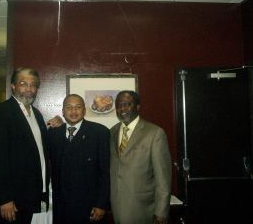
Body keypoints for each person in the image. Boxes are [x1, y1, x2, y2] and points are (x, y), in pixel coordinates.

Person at [0, 67, 62, 224]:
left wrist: (57, 127)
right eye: (23, 83)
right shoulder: (1, 112)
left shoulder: (37, 115)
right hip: (11, 199)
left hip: (30, 195)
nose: (29, 89)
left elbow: (42, 151)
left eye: (33, 85)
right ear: (13, 86)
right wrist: (4, 199)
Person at [110, 91, 172, 224]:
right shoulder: (112, 132)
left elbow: (163, 177)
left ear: (138, 106)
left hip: (143, 209)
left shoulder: (154, 133)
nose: (123, 109)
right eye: (119, 105)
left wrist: (161, 211)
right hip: (117, 207)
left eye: (127, 104)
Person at [48, 94, 110, 224]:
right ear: (63, 111)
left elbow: (106, 172)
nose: (74, 111)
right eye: (69, 107)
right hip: (61, 208)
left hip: (90, 207)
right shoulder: (53, 134)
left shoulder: (99, 132)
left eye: (78, 107)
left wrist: (101, 204)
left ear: (84, 110)